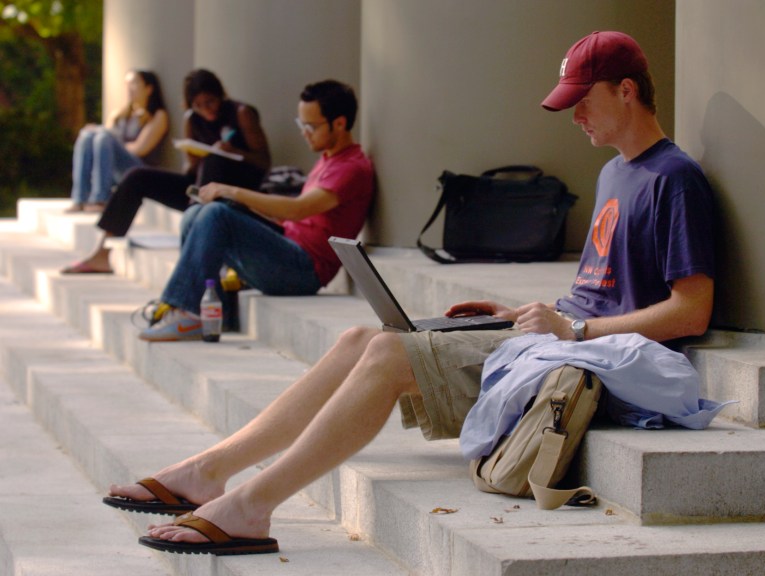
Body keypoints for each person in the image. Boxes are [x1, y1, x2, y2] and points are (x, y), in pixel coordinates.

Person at [104, 31, 715, 555]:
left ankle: (251, 507)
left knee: (388, 355)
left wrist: (573, 331)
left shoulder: (675, 178)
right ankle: (209, 471)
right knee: (357, 338)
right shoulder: (614, 171)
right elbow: (598, 292)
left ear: (627, 90)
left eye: (583, 102)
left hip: (591, 364)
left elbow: (692, 310)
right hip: (557, 342)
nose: (575, 117)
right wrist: (520, 317)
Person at [137, 79, 375, 342]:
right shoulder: (328, 159)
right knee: (199, 212)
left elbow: (296, 210)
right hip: (287, 246)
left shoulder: (351, 168)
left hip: (304, 271)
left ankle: (187, 310)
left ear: (339, 123)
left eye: (311, 126)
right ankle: (213, 309)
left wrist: (232, 191)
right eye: (301, 124)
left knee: (217, 215)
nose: (304, 132)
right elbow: (292, 218)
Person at [61, 69, 271, 274]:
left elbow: (263, 162)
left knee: (213, 162)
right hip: (200, 190)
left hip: (235, 189)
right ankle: (102, 253)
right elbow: (191, 170)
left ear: (220, 96)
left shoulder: (241, 113)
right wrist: (194, 156)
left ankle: (192, 250)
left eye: (210, 102)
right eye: (198, 106)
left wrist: (232, 152)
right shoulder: (191, 119)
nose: (207, 110)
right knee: (137, 177)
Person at [66, 69, 168, 213]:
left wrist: (112, 142)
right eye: (127, 84)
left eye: (134, 83)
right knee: (87, 135)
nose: (129, 88)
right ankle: (79, 198)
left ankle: (101, 199)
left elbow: (140, 148)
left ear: (149, 88)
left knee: (103, 137)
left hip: (138, 170)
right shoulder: (120, 114)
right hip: (112, 171)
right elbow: (101, 147)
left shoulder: (158, 116)